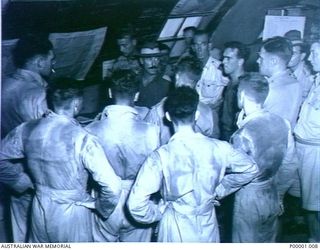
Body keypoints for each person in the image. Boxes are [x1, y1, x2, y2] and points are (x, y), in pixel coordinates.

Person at [127, 86, 258, 242]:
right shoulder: (220, 148)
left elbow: (135, 205)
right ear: (196, 115)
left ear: (168, 116)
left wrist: (157, 212)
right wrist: (220, 189)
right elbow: (250, 168)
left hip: (175, 227)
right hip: (208, 222)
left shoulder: (161, 156)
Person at [0, 78, 121, 242]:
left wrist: (21, 180)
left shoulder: (27, 128)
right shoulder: (82, 138)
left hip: (39, 207)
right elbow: (112, 185)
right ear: (77, 103)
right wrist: (102, 207)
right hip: (71, 212)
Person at [86, 70, 160, 242]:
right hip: (137, 200)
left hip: (105, 201)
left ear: (110, 92)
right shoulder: (151, 131)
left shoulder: (92, 129)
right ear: (136, 96)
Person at [1, 33, 55, 242]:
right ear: (40, 62)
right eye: (51, 60)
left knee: (18, 232)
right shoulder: (37, 94)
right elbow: (46, 141)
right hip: (34, 177)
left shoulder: (3, 85)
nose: (52, 65)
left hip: (10, 174)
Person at [231, 73, 298, 242]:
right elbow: (290, 164)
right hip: (272, 191)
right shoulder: (283, 123)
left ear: (242, 95)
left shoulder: (243, 134)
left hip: (248, 198)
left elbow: (234, 176)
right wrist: (280, 194)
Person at [145, 56, 220, 145]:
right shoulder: (208, 112)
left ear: (177, 76)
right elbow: (214, 143)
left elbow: (147, 144)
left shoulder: (157, 111)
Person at [294, 39, 320, 243]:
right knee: (308, 201)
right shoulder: (316, 80)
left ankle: (314, 241)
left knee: (315, 203)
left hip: (315, 151)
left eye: (315, 53)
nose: (310, 59)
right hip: (303, 147)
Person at [257, 36, 302, 128]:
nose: (258, 61)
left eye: (261, 58)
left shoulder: (271, 88)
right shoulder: (295, 83)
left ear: (273, 61)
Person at [193, 30, 229, 132]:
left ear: (209, 46)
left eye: (203, 44)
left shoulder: (219, 69)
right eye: (196, 45)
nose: (199, 48)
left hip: (212, 121)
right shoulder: (189, 68)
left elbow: (231, 91)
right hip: (192, 119)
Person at [221, 41, 249, 141]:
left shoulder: (244, 85)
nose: (223, 61)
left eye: (228, 58)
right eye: (223, 57)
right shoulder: (231, 82)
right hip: (225, 132)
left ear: (240, 61)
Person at [135, 41, 172, 108]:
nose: (153, 63)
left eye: (156, 58)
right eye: (149, 59)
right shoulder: (134, 80)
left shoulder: (165, 82)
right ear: (141, 61)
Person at [284, 30, 313, 101]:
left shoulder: (308, 77)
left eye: (293, 53)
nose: (288, 56)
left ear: (302, 56)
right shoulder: (286, 71)